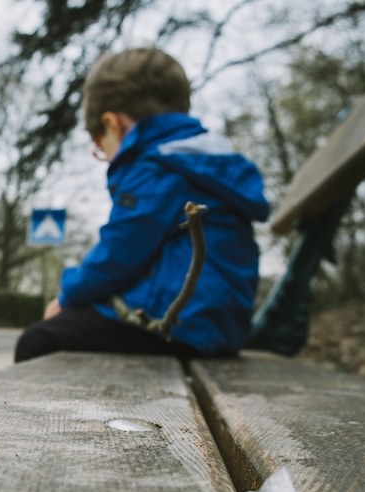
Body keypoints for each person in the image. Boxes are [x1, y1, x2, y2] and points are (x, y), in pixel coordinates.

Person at [15, 47, 270, 363]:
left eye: (100, 148)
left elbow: (119, 255)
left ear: (113, 124)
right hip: (215, 327)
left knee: (39, 341)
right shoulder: (202, 161)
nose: (106, 158)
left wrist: (66, 295)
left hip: (177, 326)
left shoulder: (157, 166)